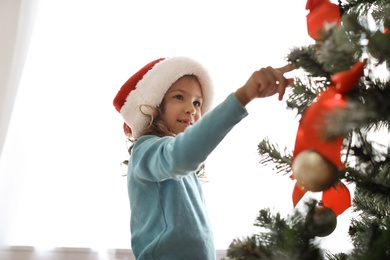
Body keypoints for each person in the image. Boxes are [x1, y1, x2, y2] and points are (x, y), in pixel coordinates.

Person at [113, 56, 294, 260]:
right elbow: (181, 155)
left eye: (197, 102)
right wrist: (243, 96)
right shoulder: (147, 150)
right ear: (154, 104)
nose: (192, 109)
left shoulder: (183, 167)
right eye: (179, 97)